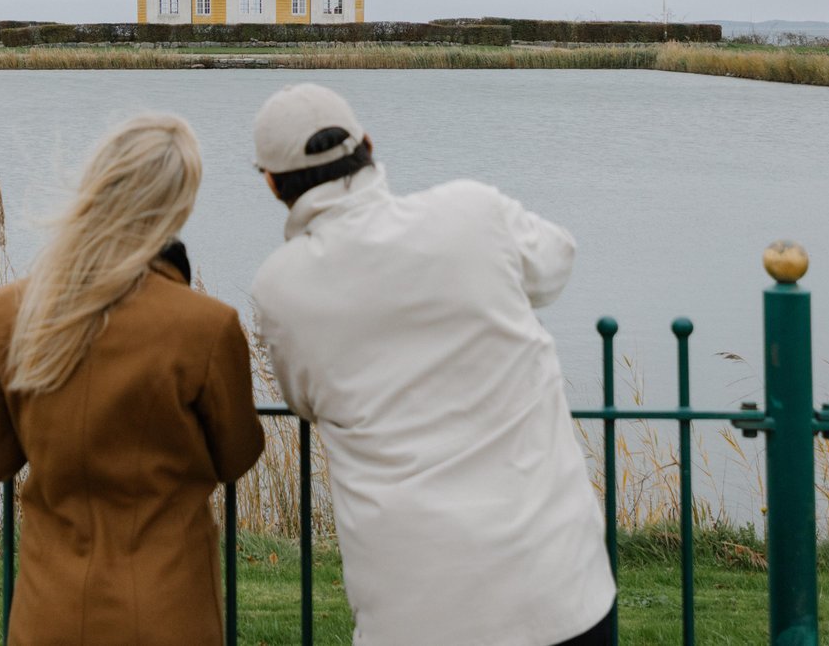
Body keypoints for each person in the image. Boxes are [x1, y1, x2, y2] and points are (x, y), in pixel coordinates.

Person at [249, 83, 616, 646]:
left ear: (273, 184)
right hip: (558, 586)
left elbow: (304, 399)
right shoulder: (473, 211)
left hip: (413, 610)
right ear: (369, 145)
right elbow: (555, 263)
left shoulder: (280, 288)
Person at [0, 113, 265, 646]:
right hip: (168, 610)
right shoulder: (207, 326)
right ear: (178, 206)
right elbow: (237, 454)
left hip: (48, 611)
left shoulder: (9, 312)